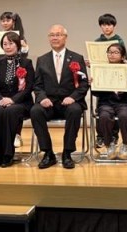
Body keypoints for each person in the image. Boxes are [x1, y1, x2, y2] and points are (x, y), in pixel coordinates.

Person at [30, 24, 88, 169]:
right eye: (52, 35)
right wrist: (42, 98)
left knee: (75, 110)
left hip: (69, 102)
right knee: (35, 111)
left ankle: (67, 153)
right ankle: (48, 153)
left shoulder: (77, 58)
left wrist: (73, 97)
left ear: (65, 38)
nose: (54, 38)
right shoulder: (42, 59)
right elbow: (37, 85)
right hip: (49, 102)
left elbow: (83, 83)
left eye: (58, 35)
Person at [0, 11, 29, 148]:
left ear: (13, 22)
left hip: (17, 86)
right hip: (4, 84)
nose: (5, 23)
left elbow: (23, 58)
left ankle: (16, 134)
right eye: (2, 20)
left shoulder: (20, 38)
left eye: (7, 20)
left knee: (14, 109)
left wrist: (25, 47)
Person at [0, 31, 35, 167]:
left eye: (11, 44)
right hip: (2, 102)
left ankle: (8, 154)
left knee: (11, 111)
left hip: (21, 102)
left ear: (17, 45)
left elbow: (29, 87)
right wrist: (0, 100)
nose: (8, 47)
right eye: (5, 44)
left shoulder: (26, 63)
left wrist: (12, 100)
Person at [91, 43, 127, 160]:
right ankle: (109, 144)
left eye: (116, 52)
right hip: (106, 103)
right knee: (104, 116)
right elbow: (95, 93)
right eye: (110, 52)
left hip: (124, 103)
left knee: (125, 116)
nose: (112, 55)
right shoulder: (101, 70)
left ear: (122, 56)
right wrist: (93, 84)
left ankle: (125, 144)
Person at [89, 13, 125, 148]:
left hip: (115, 76)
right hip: (101, 76)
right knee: (101, 106)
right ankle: (100, 136)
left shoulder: (119, 41)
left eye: (109, 25)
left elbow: (124, 58)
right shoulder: (97, 42)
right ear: (100, 26)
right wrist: (90, 63)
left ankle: (114, 135)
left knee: (116, 105)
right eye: (103, 25)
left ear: (114, 26)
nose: (106, 27)